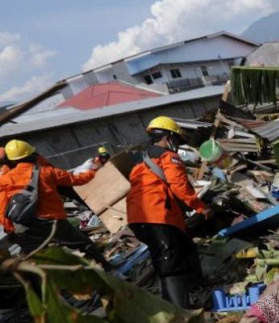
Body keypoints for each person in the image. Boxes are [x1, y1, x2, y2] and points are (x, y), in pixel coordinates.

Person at [126, 116, 210, 308]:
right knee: (170, 265)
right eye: (177, 140)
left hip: (140, 218)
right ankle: (180, 315)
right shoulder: (167, 156)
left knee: (185, 249)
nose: (178, 145)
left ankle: (195, 293)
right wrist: (200, 207)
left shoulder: (140, 161)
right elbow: (180, 186)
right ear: (169, 137)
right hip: (156, 217)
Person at [0, 139, 110, 268]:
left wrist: (9, 228)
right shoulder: (47, 171)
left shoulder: (5, 179)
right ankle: (108, 268)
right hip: (52, 221)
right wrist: (93, 170)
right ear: (33, 154)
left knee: (36, 259)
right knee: (84, 243)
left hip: (28, 226)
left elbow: (2, 207)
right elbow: (77, 180)